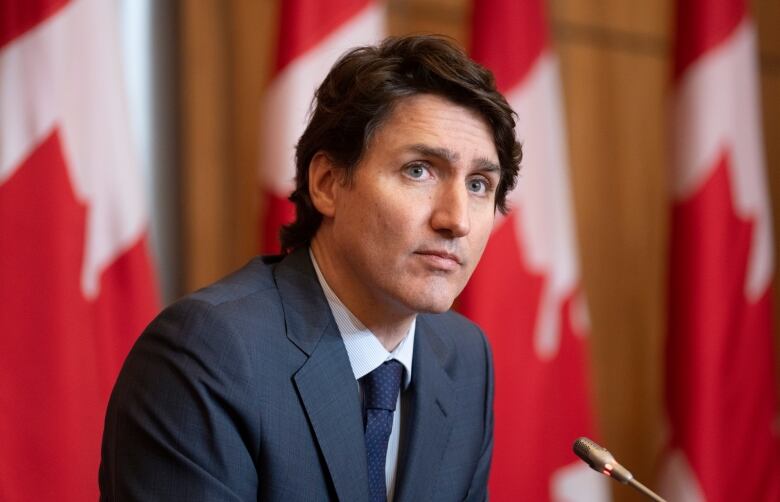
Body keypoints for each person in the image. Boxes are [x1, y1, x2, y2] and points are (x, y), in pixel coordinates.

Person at [99, 34, 521, 501]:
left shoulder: (464, 357)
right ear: (326, 183)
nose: (457, 219)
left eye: (480, 185)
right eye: (418, 170)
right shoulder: (207, 355)